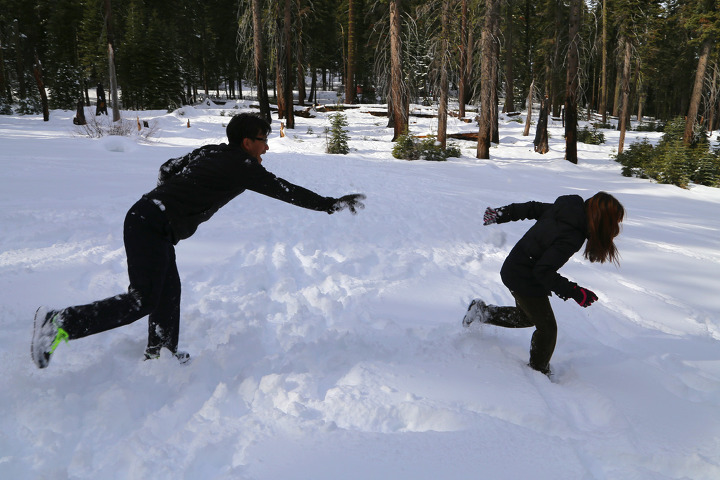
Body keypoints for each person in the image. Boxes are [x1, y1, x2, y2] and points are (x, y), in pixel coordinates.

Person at [32, 113, 366, 369]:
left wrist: (179, 194)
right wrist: (328, 204)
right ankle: (59, 322)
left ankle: (161, 353)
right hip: (150, 224)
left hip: (150, 220)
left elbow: (167, 168)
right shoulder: (242, 165)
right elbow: (284, 189)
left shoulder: (212, 152)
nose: (267, 146)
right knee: (143, 299)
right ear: (247, 142)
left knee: (167, 293)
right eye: (263, 139)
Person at [462, 192, 625, 376]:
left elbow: (530, 208)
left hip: (516, 267)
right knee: (547, 329)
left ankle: (482, 312)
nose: (616, 227)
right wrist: (574, 291)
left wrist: (501, 214)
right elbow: (544, 271)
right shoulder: (572, 234)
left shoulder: (566, 209)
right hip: (523, 275)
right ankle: (538, 370)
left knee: (527, 317)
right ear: (603, 219)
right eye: (614, 222)